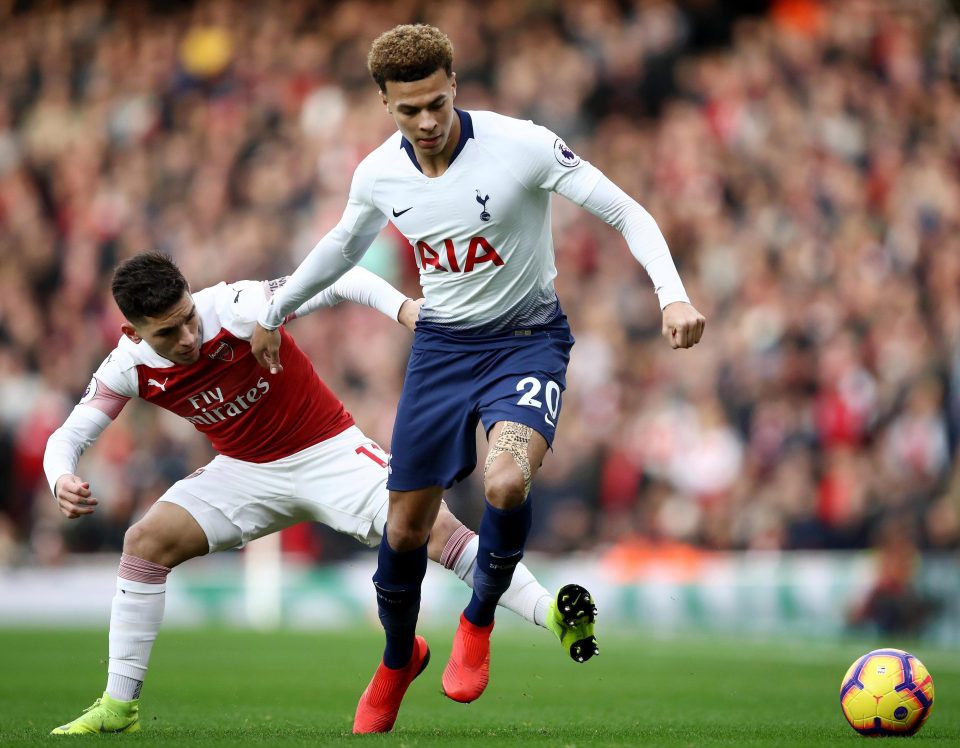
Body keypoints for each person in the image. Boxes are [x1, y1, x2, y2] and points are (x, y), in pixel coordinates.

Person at [251, 23, 705, 734]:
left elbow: (625, 209)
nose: (428, 121)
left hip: (527, 342)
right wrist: (275, 310)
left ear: (454, 85)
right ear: (384, 104)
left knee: (505, 480)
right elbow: (342, 247)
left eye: (437, 102)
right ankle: (398, 659)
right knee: (404, 531)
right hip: (441, 350)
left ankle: (479, 619)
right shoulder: (378, 175)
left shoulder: (520, 145)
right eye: (410, 110)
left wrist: (670, 293)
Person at [44, 251, 586, 735]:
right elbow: (68, 436)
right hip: (245, 471)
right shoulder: (128, 367)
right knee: (143, 543)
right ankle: (120, 705)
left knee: (434, 531)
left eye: (188, 318)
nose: (188, 337)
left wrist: (404, 310)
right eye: (168, 334)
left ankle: (553, 615)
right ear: (135, 334)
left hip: (328, 451)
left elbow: (340, 277)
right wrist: (61, 476)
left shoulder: (236, 306)